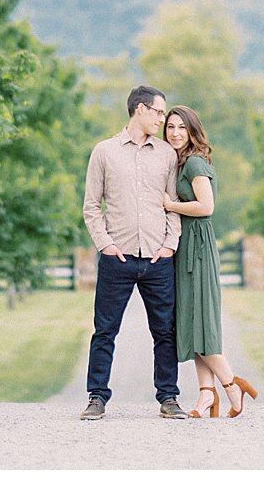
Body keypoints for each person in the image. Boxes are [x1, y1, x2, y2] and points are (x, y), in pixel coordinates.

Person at [79, 84, 185, 420]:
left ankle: (168, 397)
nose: (162, 119)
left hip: (157, 258)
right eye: (158, 112)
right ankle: (97, 397)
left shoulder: (167, 155)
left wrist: (170, 245)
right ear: (139, 109)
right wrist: (105, 245)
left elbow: (174, 205)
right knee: (105, 330)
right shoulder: (104, 152)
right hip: (117, 257)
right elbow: (91, 206)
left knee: (164, 331)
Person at [161, 104, 259, 419]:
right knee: (193, 324)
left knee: (201, 323)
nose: (175, 133)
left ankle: (232, 384)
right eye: (170, 127)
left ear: (192, 131)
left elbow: (207, 206)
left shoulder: (194, 163)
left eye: (181, 127)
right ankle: (206, 395)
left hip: (197, 249)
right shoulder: (182, 162)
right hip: (186, 246)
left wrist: (169, 204)